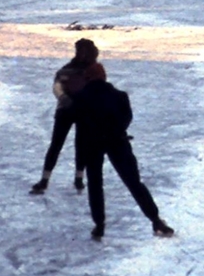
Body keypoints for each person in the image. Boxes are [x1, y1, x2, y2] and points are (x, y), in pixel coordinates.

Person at [66, 67, 175, 240]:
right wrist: (114, 132)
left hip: (92, 144)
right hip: (118, 142)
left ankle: (99, 225)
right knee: (134, 182)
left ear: (87, 78)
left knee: (95, 185)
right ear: (104, 76)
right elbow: (126, 119)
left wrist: (79, 170)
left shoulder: (80, 98)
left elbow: (80, 133)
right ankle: (155, 219)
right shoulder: (120, 96)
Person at [30, 38, 103, 196]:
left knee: (68, 145)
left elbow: (58, 87)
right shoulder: (90, 70)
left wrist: (65, 99)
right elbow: (59, 87)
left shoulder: (74, 70)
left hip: (73, 110)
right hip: (75, 110)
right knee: (69, 144)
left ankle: (49, 180)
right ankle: (75, 179)